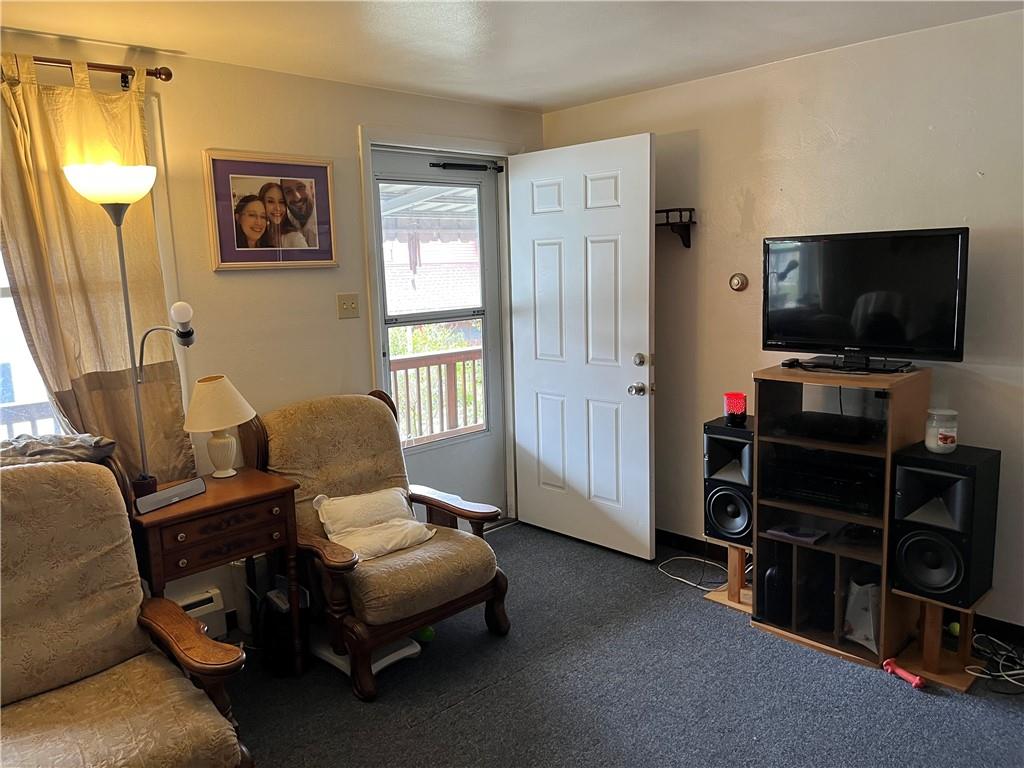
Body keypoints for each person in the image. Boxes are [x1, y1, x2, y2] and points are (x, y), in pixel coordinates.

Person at [259, 182, 308, 248]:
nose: (277, 208)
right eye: (270, 201)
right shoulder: (258, 235)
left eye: (281, 202)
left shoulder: (295, 238)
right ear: (261, 203)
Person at [280, 177, 318, 248]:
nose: (297, 197)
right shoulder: (285, 222)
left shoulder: (328, 220)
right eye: (288, 191)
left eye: (301, 187)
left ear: (312, 187)